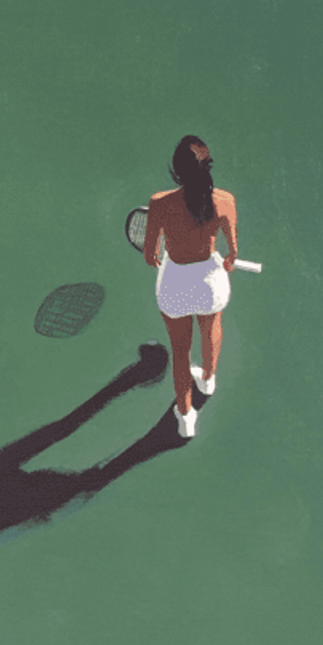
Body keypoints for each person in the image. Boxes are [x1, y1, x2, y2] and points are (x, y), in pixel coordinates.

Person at [143, 135, 237, 437]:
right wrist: (228, 261)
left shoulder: (159, 203)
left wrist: (160, 255)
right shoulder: (226, 201)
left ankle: (185, 419)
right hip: (210, 285)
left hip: (175, 286)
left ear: (176, 171)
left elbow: (150, 255)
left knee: (181, 353)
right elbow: (232, 254)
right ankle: (208, 381)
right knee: (212, 329)